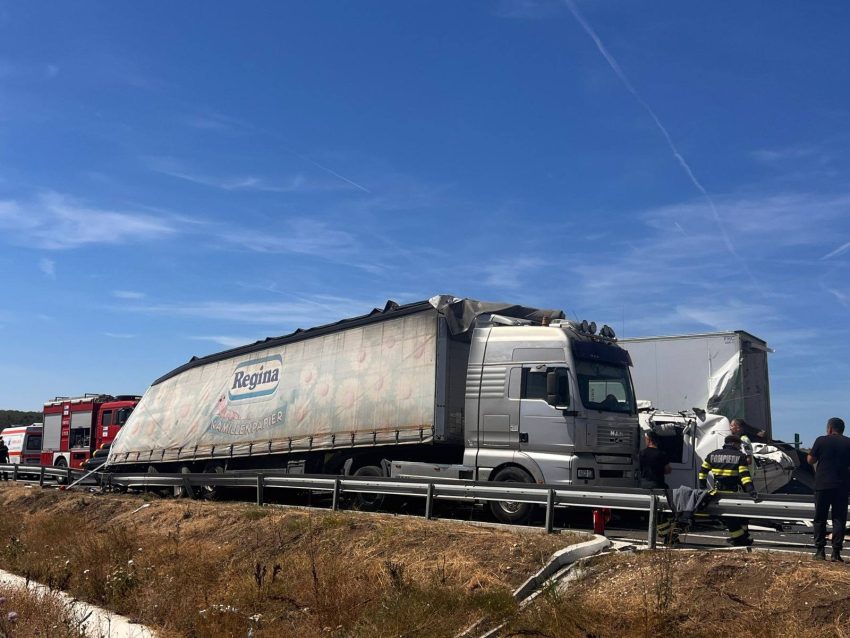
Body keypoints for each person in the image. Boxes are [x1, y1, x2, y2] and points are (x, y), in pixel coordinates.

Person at [698, 435, 760, 546]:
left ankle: (743, 538)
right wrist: (751, 490)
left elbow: (702, 472)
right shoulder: (740, 457)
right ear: (734, 444)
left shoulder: (712, 455)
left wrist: (702, 487)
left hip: (718, 493)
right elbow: (744, 476)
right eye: (739, 445)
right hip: (734, 493)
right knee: (735, 517)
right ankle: (740, 539)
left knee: (731, 517)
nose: (740, 447)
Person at [807, 417, 850, 562]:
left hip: (822, 485)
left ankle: (820, 551)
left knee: (820, 518)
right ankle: (836, 553)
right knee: (839, 519)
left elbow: (810, 460)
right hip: (842, 486)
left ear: (830, 428)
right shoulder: (848, 442)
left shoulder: (821, 440)